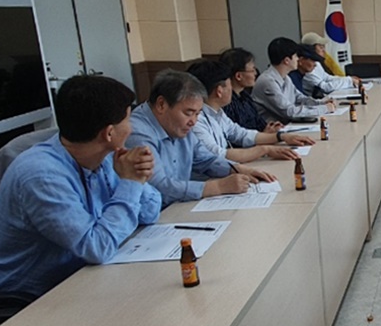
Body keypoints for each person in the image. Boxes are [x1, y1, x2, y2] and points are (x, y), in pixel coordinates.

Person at [0, 75, 161, 298]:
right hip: (30, 300)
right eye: (127, 120)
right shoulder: (41, 176)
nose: (131, 129)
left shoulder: (104, 157)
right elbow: (96, 248)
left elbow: (150, 212)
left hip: (84, 277)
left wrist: (137, 177)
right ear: (109, 133)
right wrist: (131, 182)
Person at [127, 70, 275, 208]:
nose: (193, 121)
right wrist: (217, 187)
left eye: (197, 114)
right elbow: (159, 187)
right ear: (161, 105)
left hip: (176, 207)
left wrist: (236, 169)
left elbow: (205, 159)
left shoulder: (178, 124)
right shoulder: (137, 133)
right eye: (189, 113)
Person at [186, 59, 314, 164]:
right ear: (219, 91)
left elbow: (241, 134)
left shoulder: (217, 112)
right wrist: (265, 150)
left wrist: (282, 136)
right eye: (229, 84)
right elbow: (218, 155)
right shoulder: (196, 121)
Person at [252, 37, 337, 123]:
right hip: (273, 128)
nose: (298, 59)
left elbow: (299, 99)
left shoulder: (285, 77)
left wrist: (321, 103)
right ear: (287, 60)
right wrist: (324, 109)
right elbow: (289, 112)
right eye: (296, 56)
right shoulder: (268, 82)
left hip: (287, 125)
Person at [218, 47, 279, 132]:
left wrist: (272, 126)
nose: (255, 73)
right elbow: (237, 134)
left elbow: (260, 122)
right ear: (238, 76)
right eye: (252, 70)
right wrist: (263, 133)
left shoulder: (245, 97)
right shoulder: (227, 103)